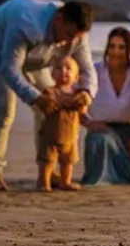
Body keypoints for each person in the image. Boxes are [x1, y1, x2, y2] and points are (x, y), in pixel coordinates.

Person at [0, 0, 97, 190]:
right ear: (59, 20)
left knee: (53, 106)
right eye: (69, 35)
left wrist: (87, 92)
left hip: (36, 57)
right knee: (3, 109)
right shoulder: (26, 23)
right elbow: (10, 70)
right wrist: (36, 97)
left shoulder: (77, 35)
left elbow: (87, 70)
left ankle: (47, 169)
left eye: (76, 38)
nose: (70, 42)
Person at [81, 27, 130, 185]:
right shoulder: (95, 71)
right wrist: (88, 122)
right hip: (104, 128)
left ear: (129, 49)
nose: (115, 51)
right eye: (111, 46)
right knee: (98, 140)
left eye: (121, 47)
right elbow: (76, 101)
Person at [36, 57, 90, 192]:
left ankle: (65, 182)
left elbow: (84, 109)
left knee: (68, 162)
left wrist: (84, 100)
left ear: (77, 77)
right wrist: (51, 102)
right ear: (53, 74)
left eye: (68, 69)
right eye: (59, 68)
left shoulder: (78, 94)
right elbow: (45, 106)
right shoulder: (50, 91)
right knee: (47, 161)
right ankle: (43, 182)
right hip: (50, 135)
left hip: (70, 137)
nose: (63, 71)